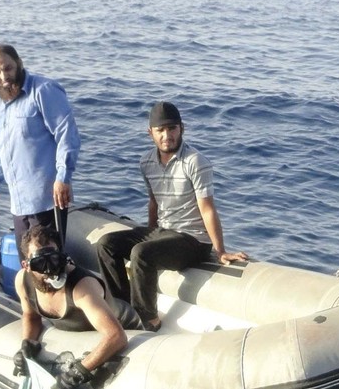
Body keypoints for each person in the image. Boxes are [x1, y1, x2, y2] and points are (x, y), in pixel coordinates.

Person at [96, 101, 248, 332]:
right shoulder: (146, 162)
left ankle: (148, 320)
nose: (167, 135)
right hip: (164, 232)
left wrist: (220, 250)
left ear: (181, 129)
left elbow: (207, 208)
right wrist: (150, 233)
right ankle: (122, 309)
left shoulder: (195, 162)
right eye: (160, 130)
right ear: (150, 133)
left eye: (172, 128)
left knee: (141, 253)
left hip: (193, 240)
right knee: (106, 244)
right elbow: (154, 202)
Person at [0, 44, 80, 260]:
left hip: (47, 200)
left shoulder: (43, 90)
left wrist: (63, 177)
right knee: (27, 266)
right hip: (19, 206)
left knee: (49, 266)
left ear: (19, 63)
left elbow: (67, 135)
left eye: (7, 68)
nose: (3, 76)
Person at [13, 225, 142, 388]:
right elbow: (31, 316)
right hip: (82, 331)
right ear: (26, 265)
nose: (49, 270)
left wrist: (78, 372)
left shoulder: (82, 288)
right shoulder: (23, 281)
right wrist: (27, 342)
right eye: (40, 263)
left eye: (54, 260)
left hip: (125, 327)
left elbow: (117, 336)